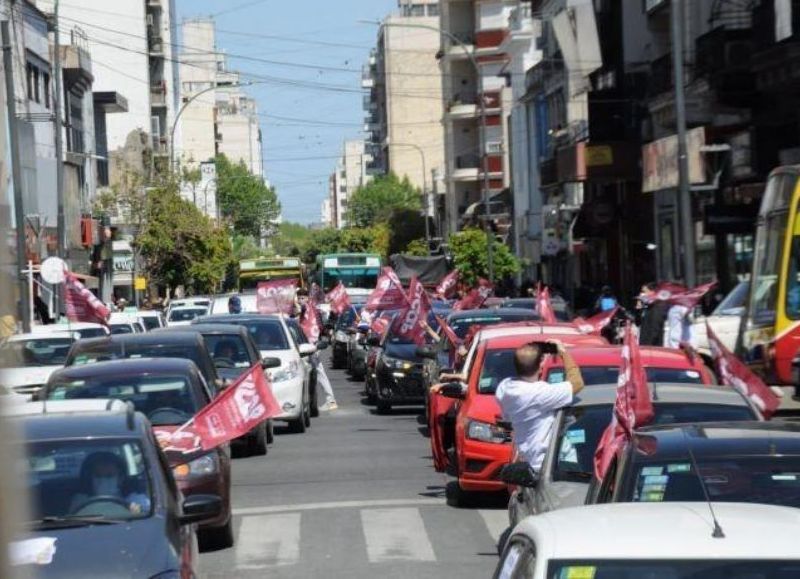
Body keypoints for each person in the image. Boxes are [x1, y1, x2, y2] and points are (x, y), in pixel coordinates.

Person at [494, 340, 585, 472]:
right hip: (552, 465)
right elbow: (577, 383)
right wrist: (563, 352)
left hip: (529, 461)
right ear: (541, 366)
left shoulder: (504, 388)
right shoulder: (539, 394)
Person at [70, 452, 150, 515]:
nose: (103, 480)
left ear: (120, 479)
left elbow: (147, 518)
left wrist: (137, 513)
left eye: (109, 476)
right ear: (90, 478)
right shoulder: (80, 500)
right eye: (98, 476)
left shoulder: (135, 500)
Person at [297, 290, 337, 411]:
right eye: (299, 298)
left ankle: (330, 400)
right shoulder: (312, 309)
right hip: (306, 345)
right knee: (314, 372)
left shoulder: (308, 309)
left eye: (303, 298)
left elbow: (320, 325)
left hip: (312, 345)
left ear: (307, 298)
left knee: (316, 372)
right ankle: (326, 399)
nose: (301, 300)